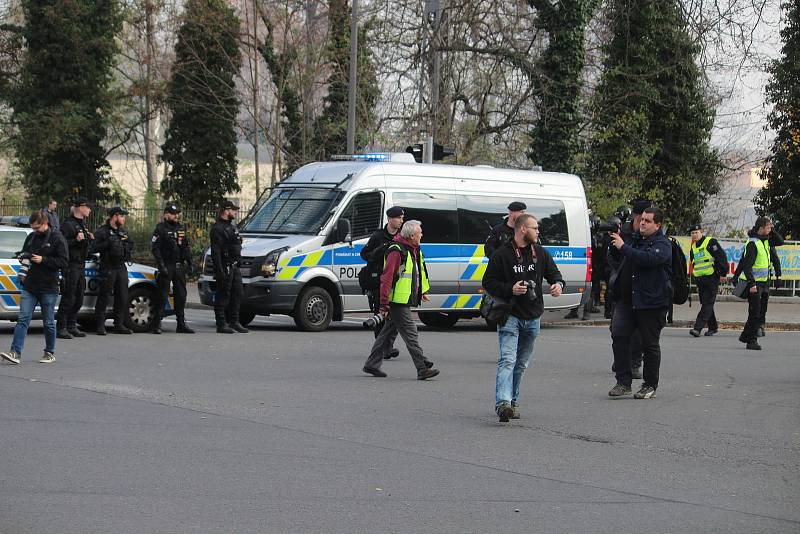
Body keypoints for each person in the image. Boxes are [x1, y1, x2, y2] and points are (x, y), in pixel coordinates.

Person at [482, 214, 564, 422]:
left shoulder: (541, 252)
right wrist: (511, 289)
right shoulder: (502, 254)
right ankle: (503, 404)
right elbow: (488, 282)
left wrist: (557, 285)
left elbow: (555, 274)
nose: (538, 231)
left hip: (533, 316)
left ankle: (513, 401)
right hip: (510, 315)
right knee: (508, 360)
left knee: (521, 363)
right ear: (522, 230)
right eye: (535, 228)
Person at [362, 220, 439, 380]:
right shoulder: (397, 251)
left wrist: (421, 291)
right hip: (397, 301)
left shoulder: (413, 249)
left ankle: (372, 364)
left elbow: (418, 272)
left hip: (402, 299)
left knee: (386, 333)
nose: (422, 234)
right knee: (411, 333)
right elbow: (387, 278)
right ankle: (422, 368)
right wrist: (384, 303)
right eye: (420, 232)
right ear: (412, 236)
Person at [607, 206, 671, 400]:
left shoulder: (663, 244)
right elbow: (618, 259)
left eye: (648, 221)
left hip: (651, 303)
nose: (642, 223)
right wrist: (614, 244)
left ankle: (650, 384)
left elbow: (649, 259)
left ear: (657, 225)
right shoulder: (634, 239)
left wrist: (624, 247)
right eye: (642, 219)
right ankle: (623, 382)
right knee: (619, 336)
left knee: (649, 344)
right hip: (627, 301)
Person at [0, 210, 68, 365]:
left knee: (49, 322)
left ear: (45, 223)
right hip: (30, 286)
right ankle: (15, 352)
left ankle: (49, 352)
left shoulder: (57, 238)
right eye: (33, 228)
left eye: (37, 228)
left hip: (49, 288)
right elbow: (26, 252)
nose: (34, 231)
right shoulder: (31, 237)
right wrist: (22, 256)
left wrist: (43, 260)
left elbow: (64, 262)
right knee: (23, 319)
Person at [607, 199, 651, 379]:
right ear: (636, 215)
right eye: (643, 218)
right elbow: (611, 257)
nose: (644, 222)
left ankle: (634, 361)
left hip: (642, 291)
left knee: (639, 332)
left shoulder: (651, 235)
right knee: (617, 329)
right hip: (622, 287)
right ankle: (621, 359)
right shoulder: (623, 232)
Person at [359, 206, 403, 359]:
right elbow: (364, 254)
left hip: (397, 282)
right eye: (399, 218)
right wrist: (377, 252)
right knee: (380, 314)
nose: (401, 221)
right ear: (390, 219)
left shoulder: (402, 237)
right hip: (379, 281)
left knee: (396, 316)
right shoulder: (378, 236)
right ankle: (383, 348)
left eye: (402, 218)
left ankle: (387, 346)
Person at [734, 217, 781, 350]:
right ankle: (751, 341)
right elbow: (747, 266)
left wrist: (771, 228)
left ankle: (745, 336)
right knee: (755, 312)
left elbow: (780, 241)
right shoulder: (753, 244)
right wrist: (752, 284)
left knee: (756, 312)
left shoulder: (765, 241)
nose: (770, 230)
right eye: (768, 228)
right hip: (753, 284)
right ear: (760, 229)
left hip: (763, 283)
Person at [150, 202, 195, 334]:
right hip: (166, 265)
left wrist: (190, 262)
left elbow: (185, 247)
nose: (176, 216)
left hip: (178, 266)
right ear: (166, 215)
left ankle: (181, 324)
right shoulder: (160, 229)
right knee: (162, 295)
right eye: (173, 214)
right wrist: (161, 266)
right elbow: (155, 249)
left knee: (181, 295)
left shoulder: (180, 229)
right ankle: (156, 324)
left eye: (177, 214)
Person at [56, 197, 93, 339]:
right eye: (88, 207)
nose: (89, 210)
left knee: (78, 297)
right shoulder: (68, 224)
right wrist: (75, 240)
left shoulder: (82, 224)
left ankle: (71, 325)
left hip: (80, 265)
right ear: (80, 207)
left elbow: (84, 245)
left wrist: (89, 239)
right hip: (70, 265)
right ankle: (62, 327)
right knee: (68, 297)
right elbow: (62, 245)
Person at [92, 206, 133, 335]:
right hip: (108, 267)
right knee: (104, 296)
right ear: (114, 216)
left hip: (121, 266)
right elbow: (92, 248)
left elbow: (130, 244)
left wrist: (126, 247)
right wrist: (107, 244)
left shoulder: (123, 231)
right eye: (121, 216)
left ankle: (119, 324)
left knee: (122, 296)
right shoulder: (102, 231)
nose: (124, 219)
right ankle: (100, 325)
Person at [210, 200, 247, 334]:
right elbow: (216, 251)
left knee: (238, 293)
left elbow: (236, 244)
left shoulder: (232, 227)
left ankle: (234, 321)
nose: (235, 212)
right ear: (226, 210)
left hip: (234, 265)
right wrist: (219, 270)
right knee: (223, 295)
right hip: (225, 265)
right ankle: (221, 324)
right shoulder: (218, 228)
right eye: (233, 210)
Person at [688, 223, 728, 337]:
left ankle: (697, 328)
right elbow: (694, 262)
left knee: (707, 303)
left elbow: (721, 256)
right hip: (701, 279)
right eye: (692, 233)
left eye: (696, 232)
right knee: (706, 303)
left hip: (712, 277)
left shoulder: (710, 242)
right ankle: (713, 327)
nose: (694, 235)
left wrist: (723, 272)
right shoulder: (694, 247)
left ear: (701, 232)